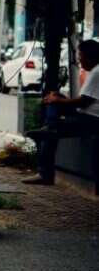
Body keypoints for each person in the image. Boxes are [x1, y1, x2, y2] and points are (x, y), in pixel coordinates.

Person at [23, 39, 99, 191]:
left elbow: (83, 102)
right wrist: (58, 97)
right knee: (55, 102)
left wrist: (58, 100)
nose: (79, 60)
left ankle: (45, 171)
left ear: (89, 56)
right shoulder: (95, 71)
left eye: (80, 56)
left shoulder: (97, 72)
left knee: (53, 114)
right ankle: (50, 126)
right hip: (86, 115)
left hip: (91, 120)